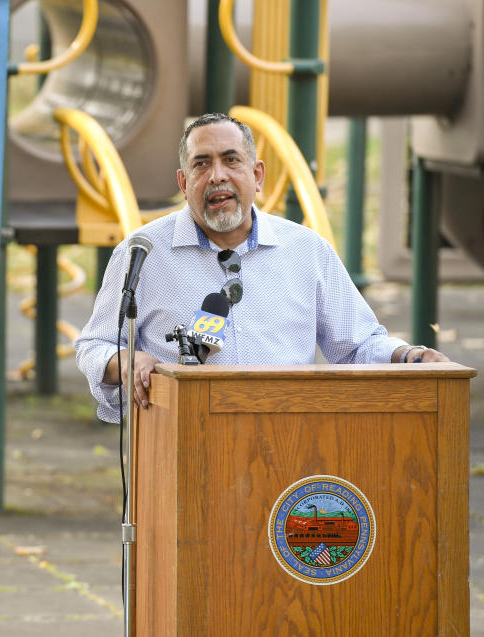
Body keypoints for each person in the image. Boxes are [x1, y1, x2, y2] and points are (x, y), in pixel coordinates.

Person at [74, 112, 449, 422]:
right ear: (184, 182)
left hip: (286, 444)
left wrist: (408, 356)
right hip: (178, 446)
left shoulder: (306, 250)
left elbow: (357, 345)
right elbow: (94, 345)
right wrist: (129, 360)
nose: (217, 175)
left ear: (256, 175)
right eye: (201, 164)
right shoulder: (143, 252)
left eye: (231, 160)